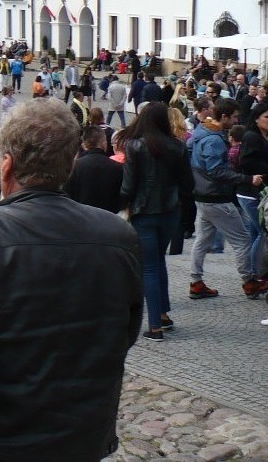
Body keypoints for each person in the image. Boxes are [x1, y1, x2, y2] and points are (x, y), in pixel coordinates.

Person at [0, 101, 143, 462]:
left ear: (6, 164)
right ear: (70, 165)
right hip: (84, 435)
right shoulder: (118, 233)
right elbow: (124, 332)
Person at [119, 103, 194, 341]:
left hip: (144, 212)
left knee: (149, 267)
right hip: (170, 211)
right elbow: (188, 184)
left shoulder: (135, 146)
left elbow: (128, 186)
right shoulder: (178, 146)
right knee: (158, 261)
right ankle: (162, 314)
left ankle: (154, 327)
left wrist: (119, 204)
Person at [189, 99, 268, 300]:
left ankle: (196, 281)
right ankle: (249, 282)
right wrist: (246, 179)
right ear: (223, 116)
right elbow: (216, 171)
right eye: (233, 117)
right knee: (242, 240)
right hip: (216, 197)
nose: (236, 121)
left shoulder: (201, 131)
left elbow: (192, 154)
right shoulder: (214, 139)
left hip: (202, 195)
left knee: (202, 240)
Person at [237, 102, 268, 280]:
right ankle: (256, 274)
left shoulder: (263, 136)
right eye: (266, 117)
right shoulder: (252, 137)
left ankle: (254, 272)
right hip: (250, 192)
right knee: (263, 232)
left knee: (256, 233)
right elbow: (246, 162)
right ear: (256, 119)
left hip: (258, 191)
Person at [66, 125, 123, 211]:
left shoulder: (75, 167)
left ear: (84, 145)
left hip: (80, 215)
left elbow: (68, 195)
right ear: (104, 143)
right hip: (108, 215)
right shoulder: (117, 167)